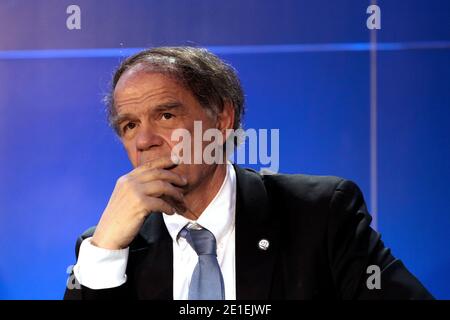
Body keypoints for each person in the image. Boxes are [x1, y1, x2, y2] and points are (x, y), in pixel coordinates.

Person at [64, 47, 433, 300]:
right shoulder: (107, 248)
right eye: (129, 125)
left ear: (223, 120)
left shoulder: (320, 215)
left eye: (166, 115)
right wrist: (104, 252)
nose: (144, 140)